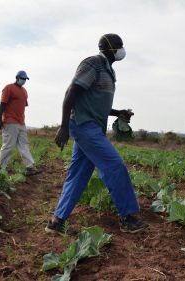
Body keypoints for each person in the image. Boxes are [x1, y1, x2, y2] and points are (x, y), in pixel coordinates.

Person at [45, 33, 148, 235]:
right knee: (114, 165)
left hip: (92, 126)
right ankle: (127, 217)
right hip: (84, 125)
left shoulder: (109, 71)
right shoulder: (93, 64)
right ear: (107, 47)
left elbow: (94, 102)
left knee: (78, 175)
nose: (122, 49)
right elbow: (71, 92)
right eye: (119, 45)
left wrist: (118, 113)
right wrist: (64, 126)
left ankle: (57, 222)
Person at [0, 70, 41, 176]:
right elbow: (2, 104)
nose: (24, 81)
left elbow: (21, 106)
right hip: (10, 121)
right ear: (17, 77)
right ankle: (0, 168)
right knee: (9, 145)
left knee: (24, 145)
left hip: (21, 122)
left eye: (25, 79)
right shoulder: (8, 88)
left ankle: (30, 167)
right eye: (22, 78)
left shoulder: (24, 91)